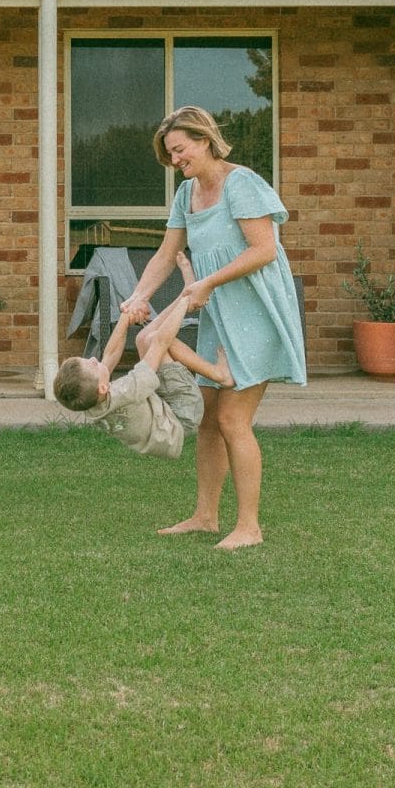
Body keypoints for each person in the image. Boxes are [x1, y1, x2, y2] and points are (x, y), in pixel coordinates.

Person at [119, 105, 306, 550]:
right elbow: (166, 255)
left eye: (180, 150)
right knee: (208, 419)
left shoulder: (242, 184)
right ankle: (205, 516)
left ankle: (249, 528)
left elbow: (264, 250)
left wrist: (206, 282)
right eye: (170, 155)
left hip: (255, 313)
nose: (176, 161)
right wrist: (139, 296)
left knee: (231, 418)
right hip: (218, 314)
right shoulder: (186, 195)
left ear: (204, 140)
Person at [53, 252, 234, 461]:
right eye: (92, 364)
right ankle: (220, 374)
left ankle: (185, 292)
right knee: (155, 338)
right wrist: (187, 303)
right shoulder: (127, 390)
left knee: (142, 339)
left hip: (163, 409)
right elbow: (162, 342)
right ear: (103, 387)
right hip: (183, 412)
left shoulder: (94, 400)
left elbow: (110, 355)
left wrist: (126, 316)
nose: (94, 359)